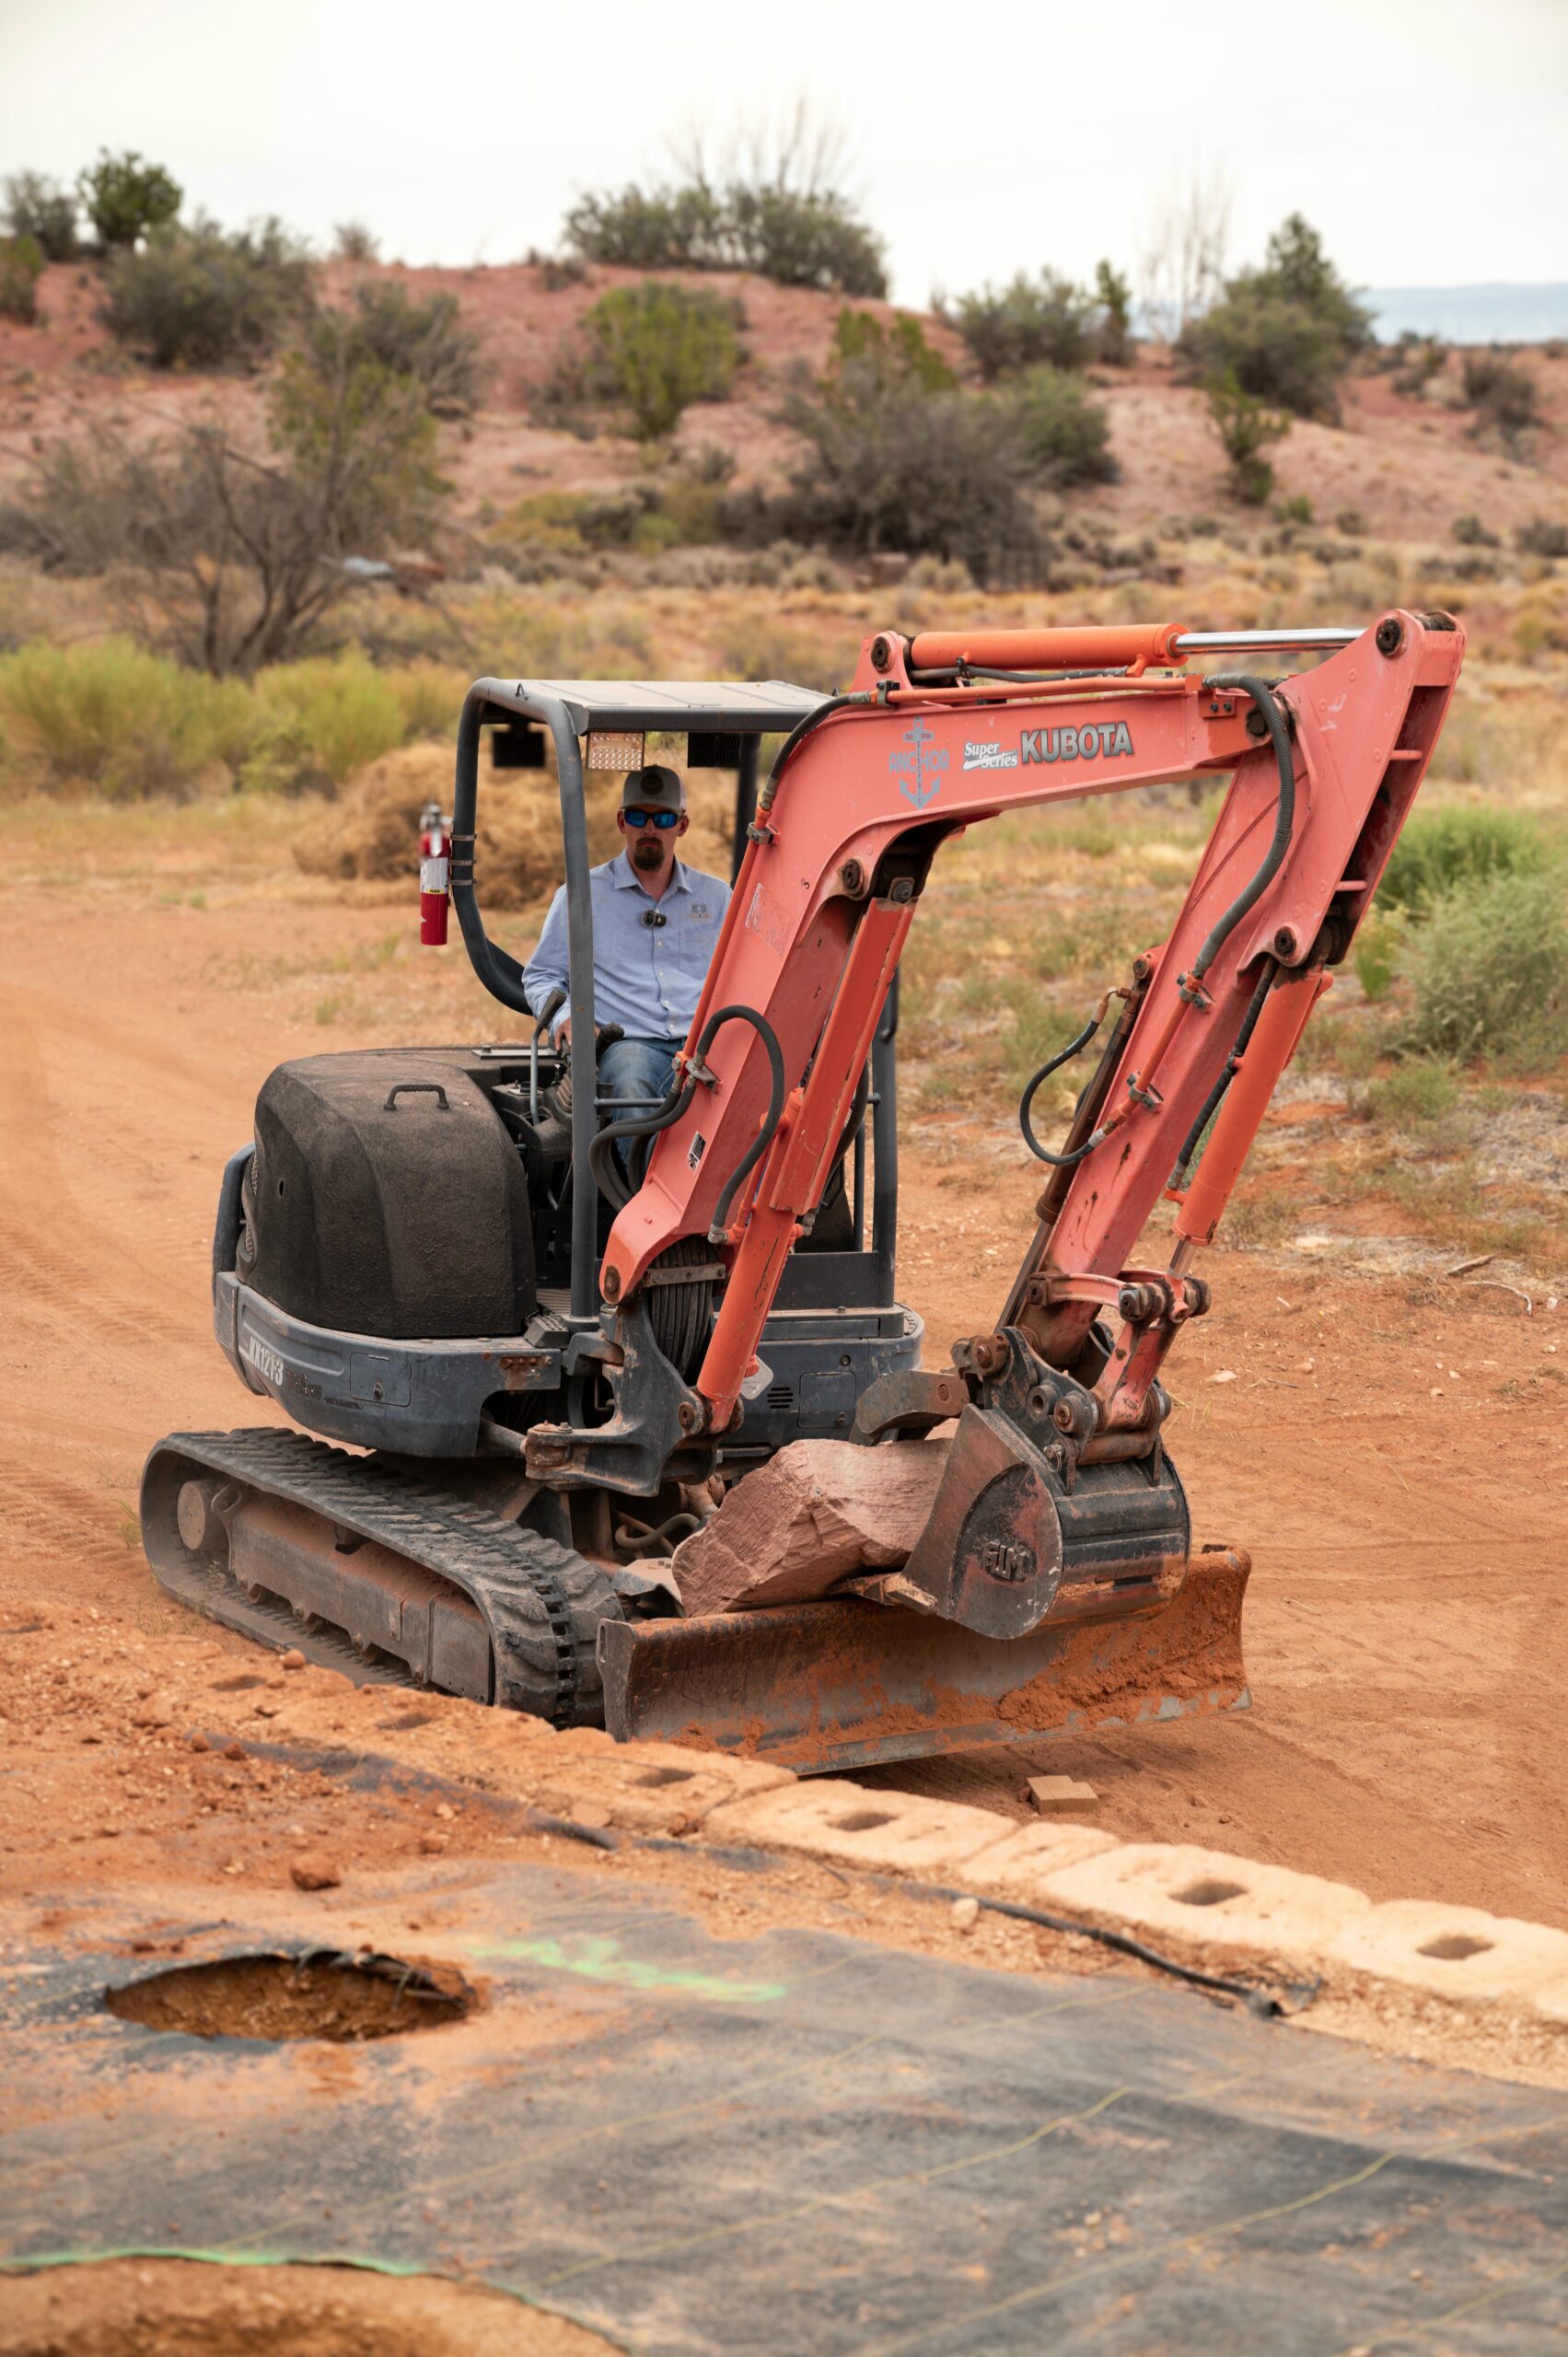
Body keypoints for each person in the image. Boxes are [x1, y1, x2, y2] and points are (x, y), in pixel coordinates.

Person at [522, 763, 730, 1149]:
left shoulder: (716, 898)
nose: (650, 828)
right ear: (622, 822)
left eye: (662, 819)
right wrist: (566, 1018)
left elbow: (743, 974)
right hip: (631, 1043)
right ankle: (650, 1185)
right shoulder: (583, 895)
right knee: (631, 1081)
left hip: (706, 1045)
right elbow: (541, 976)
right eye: (638, 817)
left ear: (682, 826)